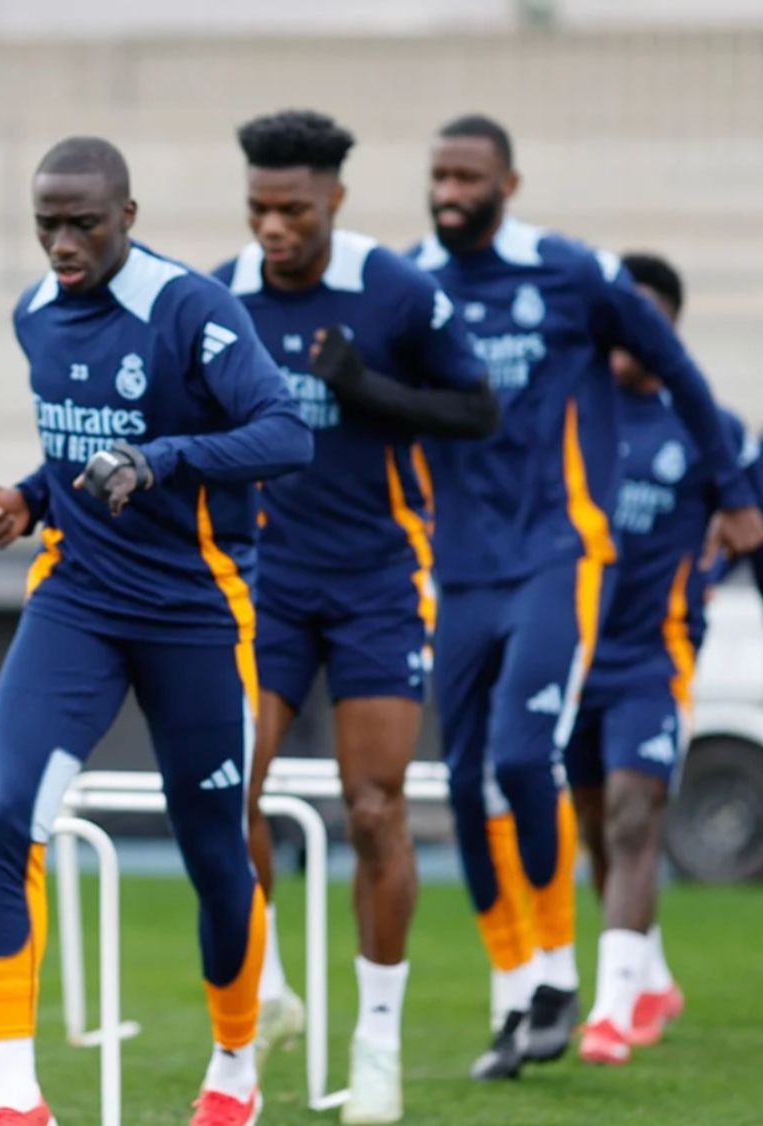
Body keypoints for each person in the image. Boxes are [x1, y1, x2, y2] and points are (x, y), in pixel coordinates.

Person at [0, 136, 311, 1126]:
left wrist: (161, 457)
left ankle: (235, 1066)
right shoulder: (34, 312)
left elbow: (285, 432)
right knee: (9, 820)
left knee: (213, 848)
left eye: (83, 224)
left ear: (127, 215)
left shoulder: (190, 309)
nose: (63, 244)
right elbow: (74, 454)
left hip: (195, 612)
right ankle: (13, 1096)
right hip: (74, 600)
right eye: (47, 225)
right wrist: (30, 501)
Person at [411, 113, 763, 1079]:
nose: (450, 191)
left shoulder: (572, 278)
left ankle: (581, 987)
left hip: (579, 577)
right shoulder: (415, 283)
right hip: (462, 570)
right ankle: (532, 983)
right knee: (470, 785)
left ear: (508, 184)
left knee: (548, 772)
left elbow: (687, 382)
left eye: (468, 176)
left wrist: (735, 498)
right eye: (440, 174)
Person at [214, 110, 496, 1122]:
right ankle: (266, 992)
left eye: (293, 209)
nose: (272, 227)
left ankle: (376, 1039)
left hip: (380, 581)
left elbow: (477, 411)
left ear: (333, 198)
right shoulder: (222, 294)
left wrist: (364, 387)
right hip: (266, 583)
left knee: (373, 807)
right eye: (258, 207)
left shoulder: (395, 289)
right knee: (227, 790)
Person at [566, 253, 749, 1064]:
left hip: (655, 657)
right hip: (573, 655)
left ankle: (612, 1011)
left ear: (667, 326)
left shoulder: (710, 429)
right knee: (599, 831)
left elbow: (747, 525)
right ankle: (651, 976)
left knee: (635, 815)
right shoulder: (578, 416)